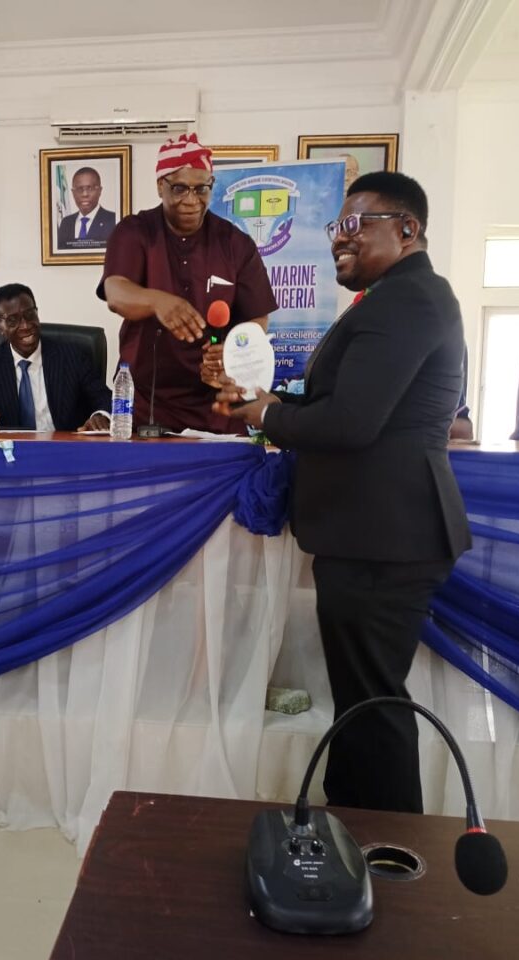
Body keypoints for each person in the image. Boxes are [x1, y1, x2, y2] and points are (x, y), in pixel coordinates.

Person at [213, 171, 472, 814]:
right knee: (362, 702)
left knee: (374, 708)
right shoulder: (392, 298)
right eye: (336, 226)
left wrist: (268, 416)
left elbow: (351, 424)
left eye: (355, 224)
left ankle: (393, 849)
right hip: (373, 534)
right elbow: (339, 402)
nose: (339, 238)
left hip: (384, 537)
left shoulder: (408, 300)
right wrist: (266, 401)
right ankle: (353, 832)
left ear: (407, 229)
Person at [97, 132, 277, 433]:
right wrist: (157, 301)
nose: (191, 200)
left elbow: (257, 318)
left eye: (201, 189)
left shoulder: (235, 243)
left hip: (216, 405)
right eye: (179, 188)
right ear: (160, 185)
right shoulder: (135, 231)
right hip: (145, 404)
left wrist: (232, 354)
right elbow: (115, 292)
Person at [0, 283, 111, 432]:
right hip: (12, 447)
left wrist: (101, 416)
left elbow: (105, 398)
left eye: (30, 315)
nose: (25, 325)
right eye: (13, 320)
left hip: (64, 446)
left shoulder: (72, 356)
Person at [56, 167, 116, 249]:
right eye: (79, 189)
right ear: (73, 193)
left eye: (90, 188)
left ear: (100, 191)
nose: (85, 194)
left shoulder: (113, 221)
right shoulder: (66, 223)